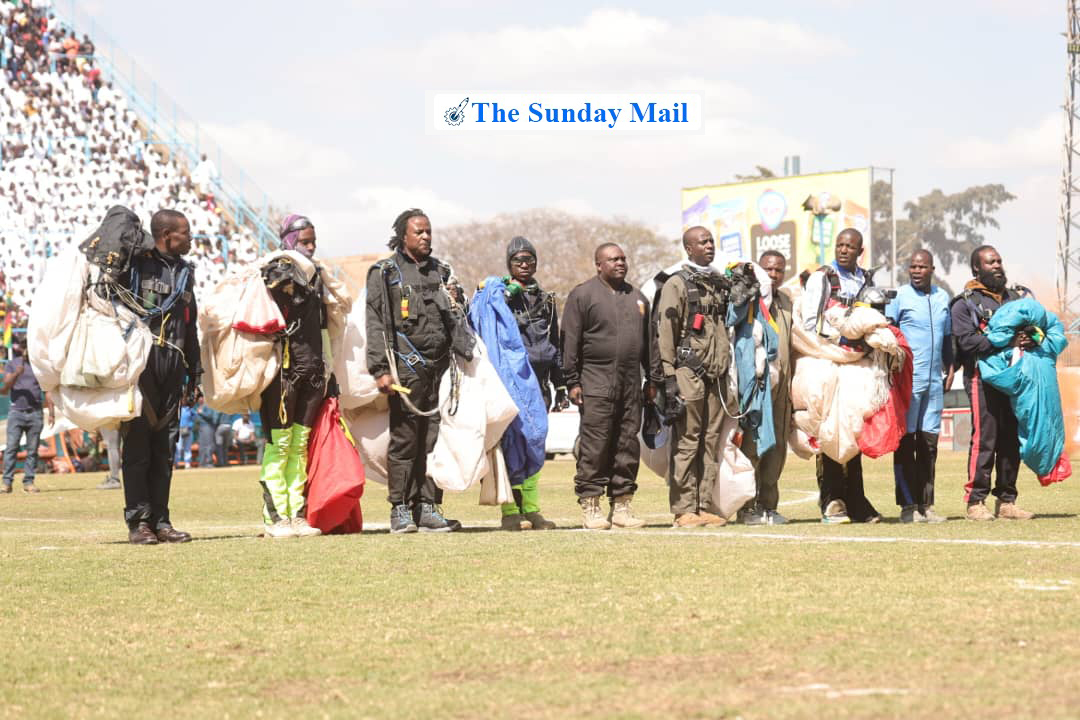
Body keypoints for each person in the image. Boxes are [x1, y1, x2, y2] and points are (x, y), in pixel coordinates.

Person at [366, 209, 466, 534]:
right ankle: (400, 508)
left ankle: (428, 506)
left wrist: (457, 300)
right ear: (403, 236)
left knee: (434, 441)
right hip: (407, 371)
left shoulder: (442, 271)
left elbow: (459, 318)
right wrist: (380, 369)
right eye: (418, 232)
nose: (425, 237)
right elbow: (375, 322)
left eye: (428, 231)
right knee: (405, 440)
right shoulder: (385, 273)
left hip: (441, 370)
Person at [562, 242, 658, 530]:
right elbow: (569, 341)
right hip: (595, 382)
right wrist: (572, 381)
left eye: (623, 259)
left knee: (627, 444)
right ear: (599, 265)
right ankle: (591, 506)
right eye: (613, 259)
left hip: (631, 384)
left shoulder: (638, 298)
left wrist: (653, 380)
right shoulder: (583, 295)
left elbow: (649, 344)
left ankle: (622, 506)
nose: (620, 263)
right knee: (595, 446)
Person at [120, 209, 199, 544]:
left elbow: (191, 325)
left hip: (173, 368)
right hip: (141, 367)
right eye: (186, 232)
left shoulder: (185, 272)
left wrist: (195, 373)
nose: (191, 238)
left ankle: (161, 521)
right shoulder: (137, 264)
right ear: (167, 235)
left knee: (165, 451)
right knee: (138, 448)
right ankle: (139, 522)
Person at [799, 228, 881, 524]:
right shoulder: (822, 278)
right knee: (831, 430)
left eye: (850, 247)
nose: (844, 250)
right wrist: (836, 342)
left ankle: (857, 500)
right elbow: (809, 324)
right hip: (828, 360)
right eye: (840, 245)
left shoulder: (865, 280)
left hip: (858, 363)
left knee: (855, 429)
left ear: (860, 251)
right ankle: (832, 500)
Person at [256, 214, 330, 539]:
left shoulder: (318, 276)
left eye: (313, 242)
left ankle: (297, 514)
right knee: (280, 444)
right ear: (289, 241)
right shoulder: (274, 270)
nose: (311, 247)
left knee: (300, 446)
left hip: (312, 371)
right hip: (282, 372)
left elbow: (324, 325)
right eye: (305, 242)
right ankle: (275, 517)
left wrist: (328, 369)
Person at [951, 245, 1033, 521]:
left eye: (999, 261)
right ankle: (976, 501)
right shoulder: (964, 303)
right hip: (980, 378)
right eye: (990, 262)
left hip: (1015, 378)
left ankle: (1007, 501)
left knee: (1011, 439)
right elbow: (967, 342)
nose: (997, 265)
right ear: (977, 268)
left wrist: (1031, 337)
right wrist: (1007, 341)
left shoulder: (1015, 298)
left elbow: (1035, 330)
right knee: (986, 439)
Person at [655, 227, 730, 528]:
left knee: (710, 442)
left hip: (716, 374)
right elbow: (665, 334)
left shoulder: (718, 282)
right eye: (703, 242)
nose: (709, 245)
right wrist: (668, 377)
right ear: (688, 248)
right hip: (688, 372)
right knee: (687, 440)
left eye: (711, 241)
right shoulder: (677, 284)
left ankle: (703, 504)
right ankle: (684, 508)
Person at [496, 236, 564, 531]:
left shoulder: (546, 300)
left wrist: (561, 385)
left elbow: (555, 344)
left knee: (536, 446)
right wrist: (502, 295)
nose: (524, 265)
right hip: (510, 386)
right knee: (511, 447)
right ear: (509, 264)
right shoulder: (499, 297)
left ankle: (532, 509)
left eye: (529, 260)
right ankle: (511, 510)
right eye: (518, 260)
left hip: (540, 386)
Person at [886, 250, 952, 523]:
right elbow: (888, 335)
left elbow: (947, 339)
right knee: (906, 443)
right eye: (912, 266)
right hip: (908, 380)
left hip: (934, 382)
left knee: (929, 444)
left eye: (922, 267)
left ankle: (927, 505)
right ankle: (907, 506)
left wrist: (950, 368)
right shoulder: (900, 297)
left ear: (932, 269)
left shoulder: (942, 297)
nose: (916, 271)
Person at [741, 250, 793, 525]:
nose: (773, 275)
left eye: (778, 270)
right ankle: (747, 507)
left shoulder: (786, 302)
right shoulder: (749, 299)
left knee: (777, 446)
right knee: (753, 445)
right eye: (768, 269)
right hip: (757, 386)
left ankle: (768, 506)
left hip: (782, 387)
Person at [1, 338, 53, 493]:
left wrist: (51, 412)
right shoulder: (13, 364)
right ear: (22, 349)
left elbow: (47, 390)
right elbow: (4, 388)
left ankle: (29, 482)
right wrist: (17, 373)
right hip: (16, 412)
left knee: (33, 450)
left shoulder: (39, 366)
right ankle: (6, 483)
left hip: (35, 413)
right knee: (11, 448)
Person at [194, 399, 217, 468]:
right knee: (202, 446)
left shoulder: (208, 405)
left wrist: (201, 412)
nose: (199, 399)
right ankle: (202, 463)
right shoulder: (199, 406)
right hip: (201, 427)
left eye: (201, 397)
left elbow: (210, 415)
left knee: (208, 446)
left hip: (207, 426)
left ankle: (209, 463)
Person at [174, 398, 194, 469]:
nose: (183, 401)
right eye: (182, 400)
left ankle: (187, 463)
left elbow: (194, 418)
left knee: (187, 448)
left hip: (188, 430)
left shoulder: (190, 409)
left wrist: (190, 425)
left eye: (184, 400)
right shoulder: (177, 409)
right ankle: (176, 463)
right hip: (179, 430)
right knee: (178, 448)